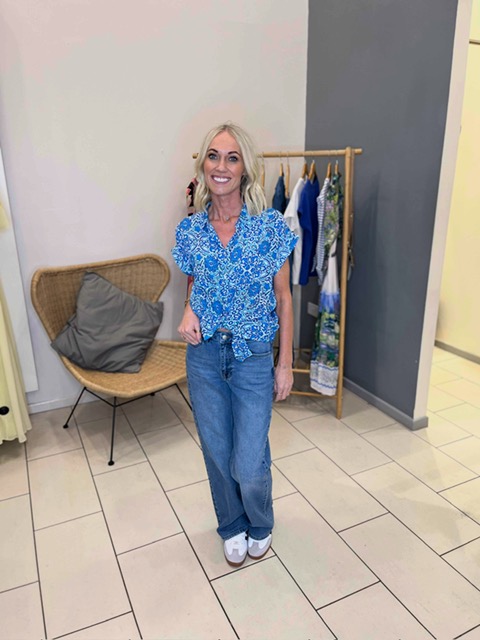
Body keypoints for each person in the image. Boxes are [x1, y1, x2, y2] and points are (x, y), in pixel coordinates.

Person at [172, 122, 297, 567]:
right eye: (213, 156)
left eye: (231, 157)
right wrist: (188, 311)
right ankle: (231, 523)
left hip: (252, 355)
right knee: (216, 448)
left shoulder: (269, 227)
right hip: (204, 356)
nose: (221, 166)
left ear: (245, 168)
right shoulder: (190, 230)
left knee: (247, 459)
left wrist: (285, 363)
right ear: (203, 165)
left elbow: (284, 298)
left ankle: (260, 520)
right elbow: (195, 284)